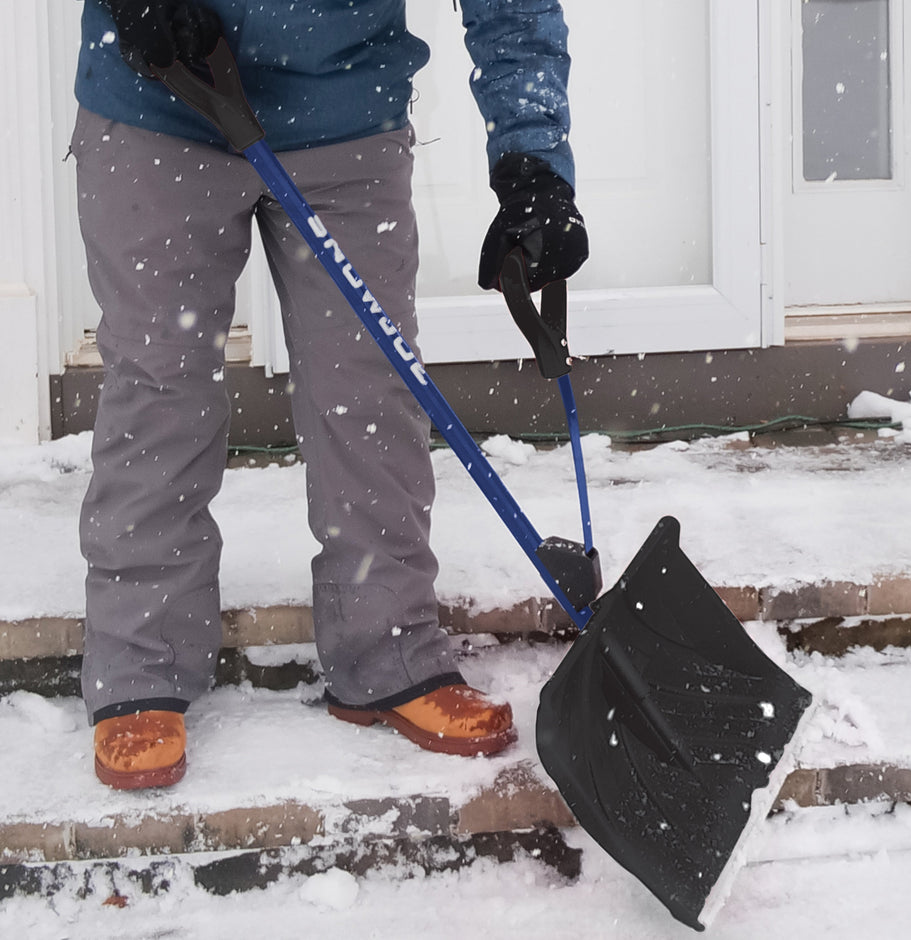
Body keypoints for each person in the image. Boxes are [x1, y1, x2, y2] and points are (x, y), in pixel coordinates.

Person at [72, 0, 589, 790]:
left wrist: (533, 162)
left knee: (370, 394)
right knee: (159, 387)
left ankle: (388, 653)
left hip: (343, 112)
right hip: (158, 97)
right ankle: (140, 664)